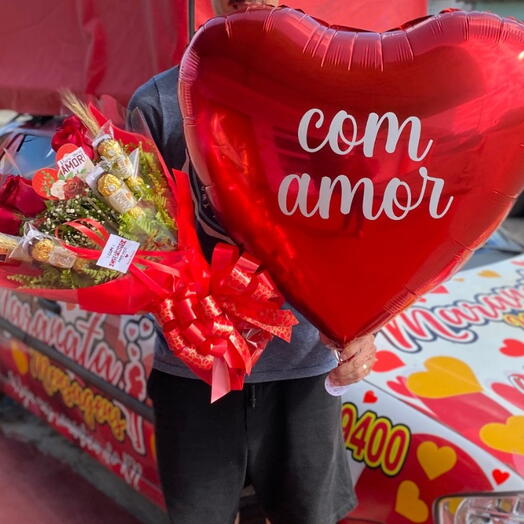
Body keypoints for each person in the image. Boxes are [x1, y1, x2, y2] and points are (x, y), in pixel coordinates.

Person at [129, 1, 377, 522]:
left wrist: (367, 325)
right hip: (196, 377)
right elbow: (141, 249)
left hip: (305, 369)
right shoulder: (157, 104)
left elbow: (361, 229)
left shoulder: (331, 96)